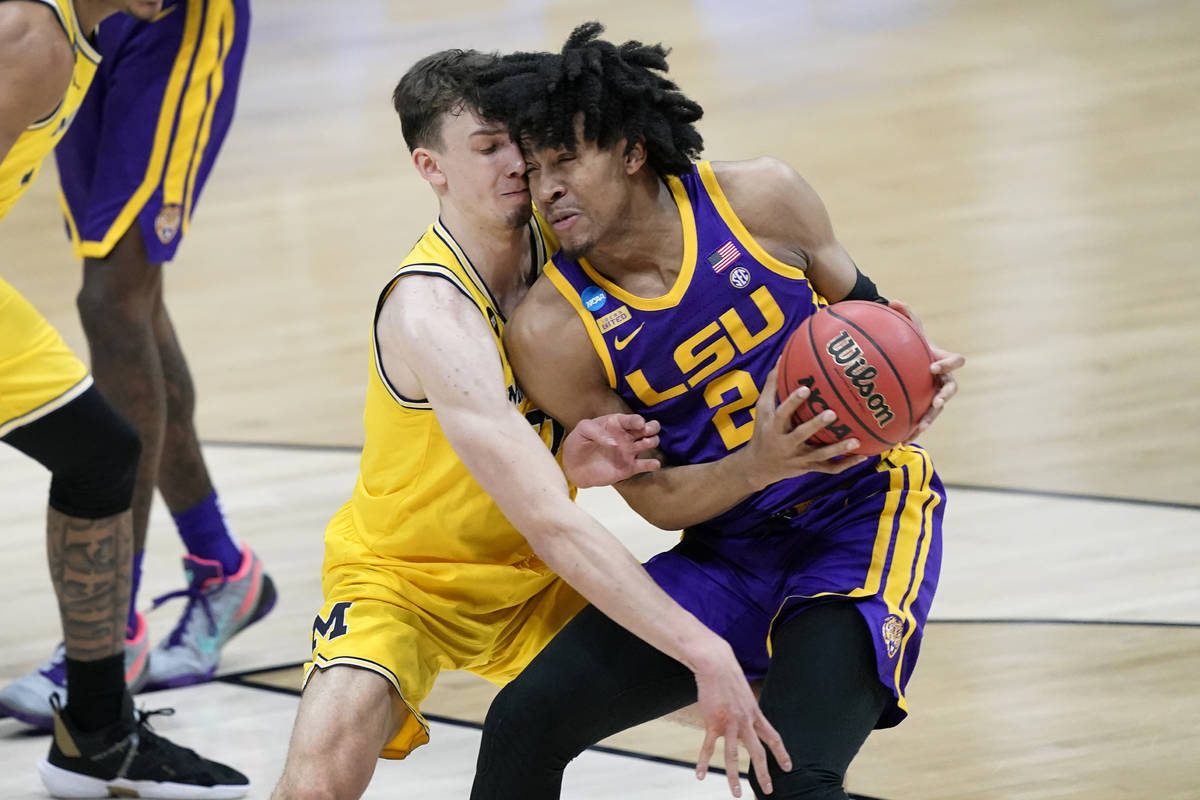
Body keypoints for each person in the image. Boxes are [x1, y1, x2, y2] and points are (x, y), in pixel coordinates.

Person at [270, 48, 798, 800]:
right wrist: (700, 647)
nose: (517, 162)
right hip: (409, 582)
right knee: (317, 781)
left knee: (776, 717)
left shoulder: (568, 251)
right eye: (487, 148)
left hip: (534, 578)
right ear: (432, 169)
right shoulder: (432, 312)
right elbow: (553, 520)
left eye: (519, 139)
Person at [468, 23, 966, 800]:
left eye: (566, 160)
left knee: (795, 784)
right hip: (726, 553)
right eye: (533, 172)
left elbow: (872, 321)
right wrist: (759, 464)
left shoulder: (761, 199)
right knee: (525, 722)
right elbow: (658, 503)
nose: (547, 189)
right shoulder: (553, 328)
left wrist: (921, 375)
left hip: (860, 521)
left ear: (631, 150)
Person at [0, 0, 275, 730]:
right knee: (130, 298)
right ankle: (223, 567)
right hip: (82, 17)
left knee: (113, 299)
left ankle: (111, 632)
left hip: (179, 23)